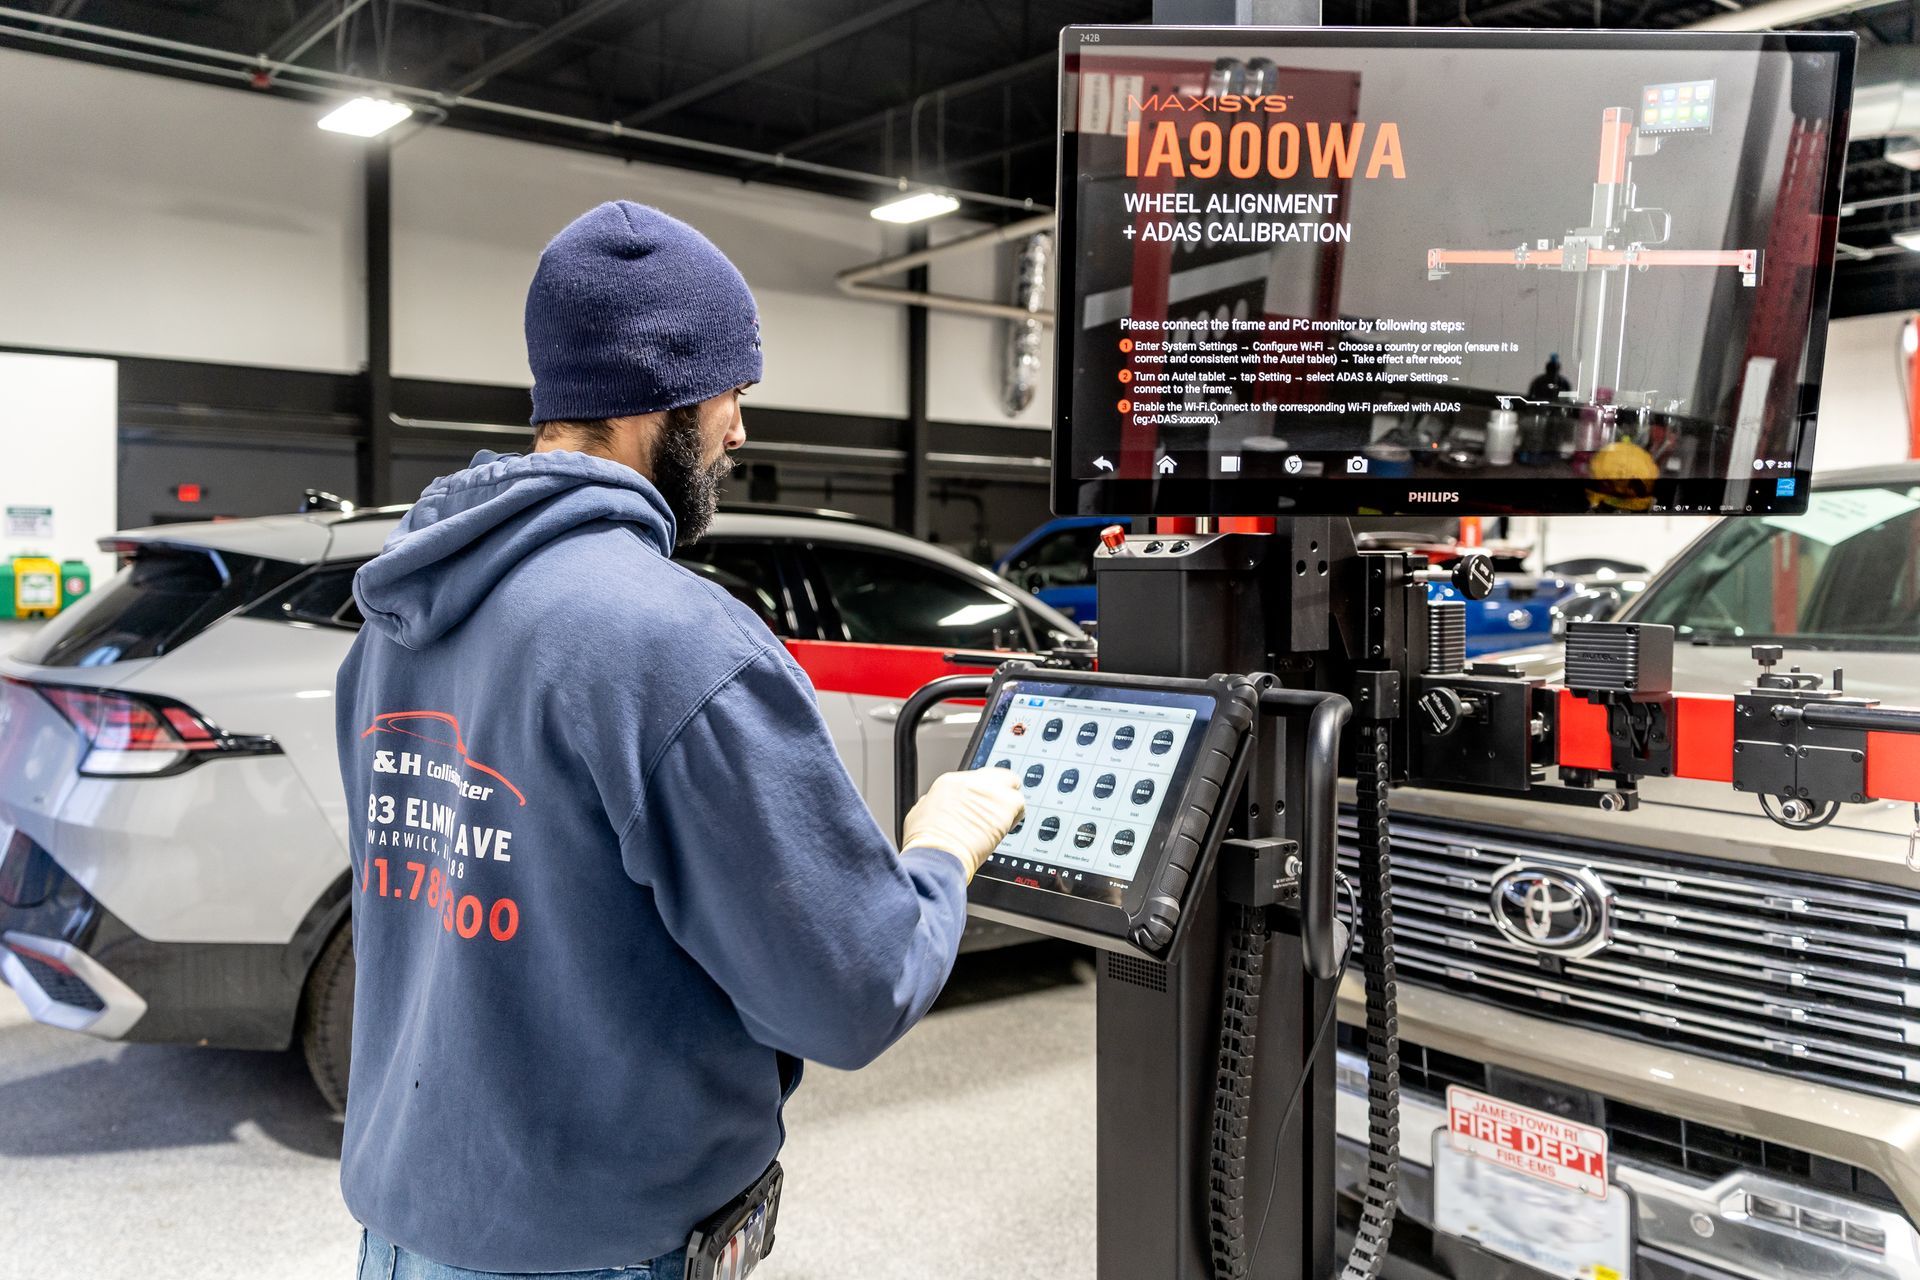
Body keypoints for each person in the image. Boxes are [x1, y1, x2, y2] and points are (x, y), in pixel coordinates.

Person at [334, 201, 1024, 1279]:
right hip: (598, 1253)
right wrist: (942, 847)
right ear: (657, 396)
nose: (738, 431)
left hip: (406, 1235)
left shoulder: (394, 620)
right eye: (730, 393)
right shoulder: (677, 643)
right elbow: (854, 989)